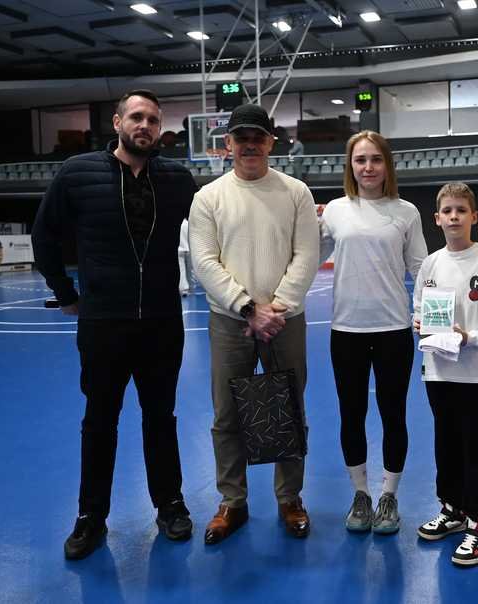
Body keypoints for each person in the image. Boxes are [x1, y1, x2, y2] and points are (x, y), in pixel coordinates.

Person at [32, 89, 199, 561]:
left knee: (161, 418)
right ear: (118, 122)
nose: (145, 126)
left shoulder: (177, 179)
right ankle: (91, 516)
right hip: (104, 323)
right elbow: (44, 234)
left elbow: (213, 232)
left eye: (153, 120)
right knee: (99, 422)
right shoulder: (78, 172)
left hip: (162, 322)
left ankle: (170, 504)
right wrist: (66, 294)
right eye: (137, 117)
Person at [189, 104, 320, 544]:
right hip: (231, 322)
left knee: (290, 409)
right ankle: (233, 501)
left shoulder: (296, 192)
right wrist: (249, 308)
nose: (249, 145)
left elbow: (306, 254)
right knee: (227, 415)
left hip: (285, 321)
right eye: (241, 138)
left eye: (257, 137)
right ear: (227, 144)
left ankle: (290, 498)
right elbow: (205, 262)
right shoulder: (208, 197)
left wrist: (276, 308)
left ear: (270, 143)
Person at [319, 131, 427, 534]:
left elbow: (421, 269)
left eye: (376, 159)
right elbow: (306, 257)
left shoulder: (406, 212)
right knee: (351, 414)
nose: (368, 167)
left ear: (387, 165)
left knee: (393, 413)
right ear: (350, 165)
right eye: (360, 160)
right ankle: (361, 494)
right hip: (346, 330)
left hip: (393, 330)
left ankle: (389, 495)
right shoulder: (334, 211)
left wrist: (430, 315)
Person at [413, 182, 478, 566]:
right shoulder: (430, 264)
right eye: (447, 211)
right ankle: (452, 508)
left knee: (477, 448)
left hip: (474, 374)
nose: (454, 216)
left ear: (474, 216)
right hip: (438, 372)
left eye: (461, 210)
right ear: (437, 219)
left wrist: (471, 337)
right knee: (446, 444)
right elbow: (419, 307)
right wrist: (420, 323)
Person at [178, 218, 195, 295]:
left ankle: (184, 289)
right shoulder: (189, 224)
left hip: (180, 249)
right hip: (189, 249)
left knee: (181, 271)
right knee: (191, 271)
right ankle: (192, 288)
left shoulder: (179, 224)